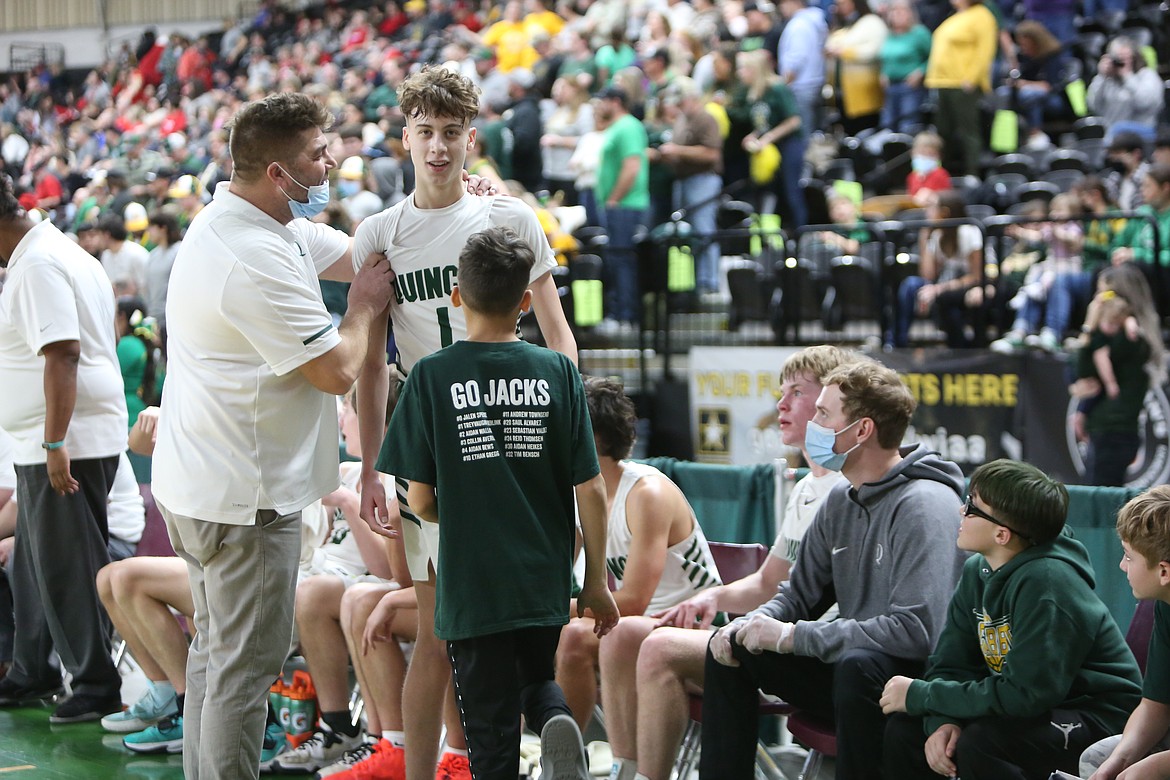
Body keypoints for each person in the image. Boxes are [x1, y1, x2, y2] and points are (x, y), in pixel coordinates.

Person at [150, 91, 395, 780]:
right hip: (243, 497)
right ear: (279, 175)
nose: (334, 159)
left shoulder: (260, 221)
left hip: (205, 481)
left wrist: (431, 223)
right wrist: (364, 310)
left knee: (215, 658)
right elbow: (335, 368)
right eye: (319, 154)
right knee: (243, 673)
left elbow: (353, 252)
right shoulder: (249, 254)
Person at [351, 65, 577, 780]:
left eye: (452, 133)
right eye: (426, 133)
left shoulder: (508, 217)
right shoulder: (380, 234)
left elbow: (560, 338)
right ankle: (438, 766)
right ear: (405, 138)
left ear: (471, 139)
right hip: (430, 459)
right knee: (438, 633)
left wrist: (562, 428)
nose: (439, 147)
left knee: (496, 629)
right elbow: (368, 366)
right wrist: (367, 467)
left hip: (505, 445)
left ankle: (501, 749)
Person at [377, 225, 620, 780]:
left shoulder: (431, 376)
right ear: (527, 301)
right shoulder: (558, 371)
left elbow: (419, 499)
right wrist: (596, 583)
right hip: (541, 574)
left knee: (490, 741)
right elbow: (591, 488)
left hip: (473, 583)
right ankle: (555, 716)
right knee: (536, 678)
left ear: (457, 296)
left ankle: (540, 728)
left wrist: (462, 512)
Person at [700, 359, 967, 780]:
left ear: (862, 430)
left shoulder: (926, 505)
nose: (814, 425)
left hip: (916, 680)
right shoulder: (841, 499)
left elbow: (916, 632)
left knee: (857, 664)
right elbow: (796, 596)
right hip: (855, 673)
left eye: (824, 415)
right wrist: (755, 623)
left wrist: (792, 637)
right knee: (730, 645)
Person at [598, 345, 857, 780]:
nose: (781, 403)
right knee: (613, 637)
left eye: (797, 392)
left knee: (652, 645)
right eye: (781, 392)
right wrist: (712, 596)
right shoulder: (805, 490)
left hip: (813, 652)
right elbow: (767, 583)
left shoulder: (847, 492)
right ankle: (624, 768)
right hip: (769, 638)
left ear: (834, 404)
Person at [880, 459, 1141, 779]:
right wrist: (943, 720)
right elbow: (951, 664)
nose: (961, 513)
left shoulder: (1048, 581)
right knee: (906, 730)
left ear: (1002, 534)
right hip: (1033, 706)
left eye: (972, 508)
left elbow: (1025, 694)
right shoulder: (979, 570)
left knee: (984, 742)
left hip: (1099, 716)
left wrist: (923, 696)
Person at [0, 179, 129, 724]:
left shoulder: (37, 265)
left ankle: (96, 682)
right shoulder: (55, 249)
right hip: (60, 434)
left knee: (67, 566)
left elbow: (63, 355)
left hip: (63, 438)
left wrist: (55, 442)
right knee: (32, 562)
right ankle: (31, 667)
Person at [555, 375, 721, 730]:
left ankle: (598, 760)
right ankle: (545, 750)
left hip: (693, 628)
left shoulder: (646, 494)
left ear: (584, 437)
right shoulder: (579, 493)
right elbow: (555, 577)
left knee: (571, 634)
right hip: (639, 627)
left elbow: (631, 603)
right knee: (529, 634)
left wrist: (544, 606)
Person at [1080, 486, 1170, 779]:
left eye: (1129, 557)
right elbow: (1156, 705)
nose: (1121, 565)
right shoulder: (1165, 606)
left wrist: (1153, 767)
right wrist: (1119, 761)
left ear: (1164, 572)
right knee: (1097, 760)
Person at [654, 77, 723, 296]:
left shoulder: (706, 118)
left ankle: (708, 283)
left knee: (704, 230)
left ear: (692, 97)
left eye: (681, 101)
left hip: (702, 180)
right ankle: (687, 287)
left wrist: (677, 151)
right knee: (684, 234)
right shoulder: (682, 119)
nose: (678, 106)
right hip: (683, 180)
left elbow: (712, 154)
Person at [894, 191, 986, 348]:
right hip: (944, 284)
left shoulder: (970, 232)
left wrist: (938, 289)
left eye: (931, 207)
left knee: (946, 298)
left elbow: (976, 276)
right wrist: (924, 238)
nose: (926, 212)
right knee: (911, 284)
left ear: (944, 213)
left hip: (968, 286)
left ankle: (960, 347)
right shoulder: (937, 235)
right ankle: (898, 342)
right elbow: (928, 275)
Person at [593, 84, 650, 333]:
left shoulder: (627, 127)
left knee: (622, 260)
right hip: (620, 206)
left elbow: (632, 166)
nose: (599, 106)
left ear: (615, 101)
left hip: (626, 206)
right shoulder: (619, 127)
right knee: (617, 260)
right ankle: (622, 314)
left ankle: (625, 317)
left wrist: (614, 198)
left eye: (603, 101)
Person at [924, 0, 997, 176]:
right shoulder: (955, 16)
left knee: (968, 131)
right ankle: (941, 174)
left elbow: (985, 51)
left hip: (963, 84)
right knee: (943, 131)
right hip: (942, 82)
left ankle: (972, 173)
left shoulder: (982, 16)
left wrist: (972, 78)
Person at [1086, 36, 1165, 142]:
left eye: (1126, 58)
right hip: (1112, 136)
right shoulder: (1107, 80)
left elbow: (1144, 103)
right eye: (1118, 58)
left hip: (1142, 134)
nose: (1122, 63)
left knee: (1119, 128)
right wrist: (1101, 77)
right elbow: (1093, 106)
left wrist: (1127, 76)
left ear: (1135, 57)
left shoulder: (1147, 76)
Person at [878, 0, 932, 135]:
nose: (897, 14)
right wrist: (883, 73)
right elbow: (886, 58)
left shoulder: (919, 33)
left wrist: (920, 72)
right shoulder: (890, 34)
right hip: (890, 87)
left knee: (907, 126)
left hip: (910, 87)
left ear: (910, 13)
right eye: (894, 10)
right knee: (888, 125)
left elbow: (933, 57)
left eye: (902, 10)